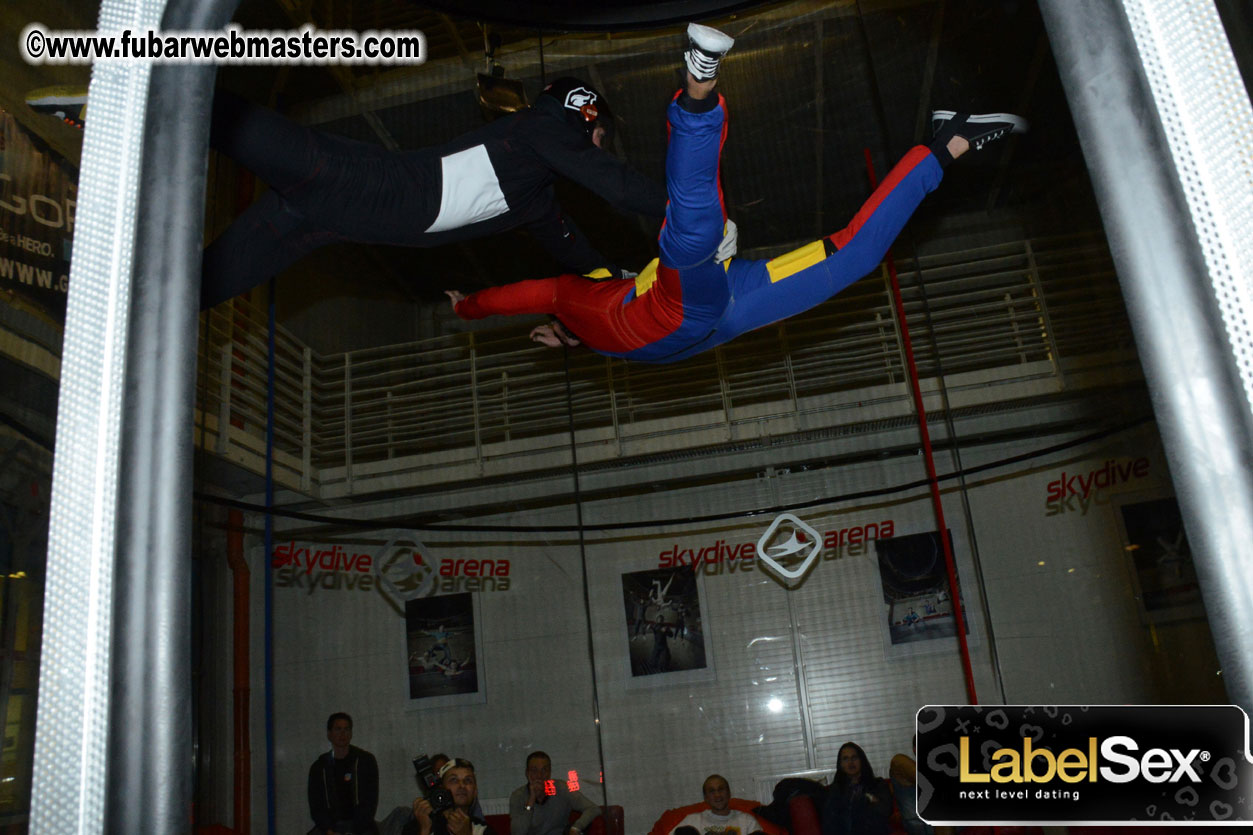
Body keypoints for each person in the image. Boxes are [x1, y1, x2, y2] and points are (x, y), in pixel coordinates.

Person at [448, 23, 1027, 364]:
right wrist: (477, 308)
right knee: (854, 257)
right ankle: (948, 143)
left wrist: (472, 307)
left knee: (694, 230)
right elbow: (530, 300)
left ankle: (698, 84)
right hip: (731, 308)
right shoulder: (587, 311)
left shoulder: (584, 296)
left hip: (681, 308)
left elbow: (532, 295)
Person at [201, 76, 670, 310]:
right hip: (342, 176)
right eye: (600, 138)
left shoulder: (535, 198)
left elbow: (573, 251)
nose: (597, 151)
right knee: (209, 111)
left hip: (319, 223)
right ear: (582, 114)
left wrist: (618, 280)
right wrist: (686, 209)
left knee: (196, 290)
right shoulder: (538, 129)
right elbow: (617, 185)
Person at [308, 712, 380, 835]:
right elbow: (316, 806)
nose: (343, 734)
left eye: (346, 729)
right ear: (329, 734)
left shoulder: (365, 761)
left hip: (360, 827)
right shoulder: (319, 767)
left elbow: (370, 802)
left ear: (351, 733)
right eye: (338, 729)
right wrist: (329, 831)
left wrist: (355, 831)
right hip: (331, 827)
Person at [509, 750, 601, 835]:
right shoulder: (518, 796)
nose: (539, 775)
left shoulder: (562, 788)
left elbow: (593, 808)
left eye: (544, 770)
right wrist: (531, 800)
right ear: (527, 773)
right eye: (534, 770)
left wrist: (576, 828)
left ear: (549, 773)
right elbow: (517, 832)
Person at [398, 757, 495, 835]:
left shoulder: (483, 830)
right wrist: (424, 830)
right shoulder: (419, 825)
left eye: (468, 780)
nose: (462, 786)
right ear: (442, 788)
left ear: (475, 791)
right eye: (454, 780)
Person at [820, 742, 893, 835]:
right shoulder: (835, 790)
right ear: (841, 764)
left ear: (862, 761)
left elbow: (886, 810)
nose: (850, 762)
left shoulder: (878, 784)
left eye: (854, 758)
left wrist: (868, 798)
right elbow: (829, 822)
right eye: (846, 759)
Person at [668, 774, 768, 835]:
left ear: (729, 793)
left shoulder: (746, 820)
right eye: (712, 791)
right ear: (706, 798)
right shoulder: (692, 820)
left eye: (721, 789)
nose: (717, 795)